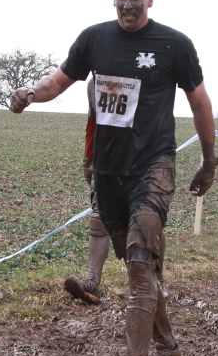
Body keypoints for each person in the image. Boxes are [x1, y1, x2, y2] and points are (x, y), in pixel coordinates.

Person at [10, 0, 218, 356]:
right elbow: (58, 81)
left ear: (150, 0)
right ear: (113, 0)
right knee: (143, 270)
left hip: (153, 167)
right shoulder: (94, 39)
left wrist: (209, 161)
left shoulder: (174, 45)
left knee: (141, 266)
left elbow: (200, 103)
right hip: (108, 173)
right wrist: (31, 93)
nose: (127, 4)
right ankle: (171, 351)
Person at [64, 80, 168, 305]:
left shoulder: (149, 74)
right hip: (106, 160)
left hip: (144, 159)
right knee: (99, 218)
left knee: (150, 220)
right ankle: (92, 282)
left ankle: (157, 279)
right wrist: (88, 159)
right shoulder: (96, 83)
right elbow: (93, 121)